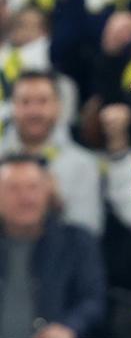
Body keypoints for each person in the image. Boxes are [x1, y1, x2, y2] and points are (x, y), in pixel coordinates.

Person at [0, 154, 105, 338]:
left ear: (48, 191)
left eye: (33, 187)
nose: (26, 198)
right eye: (13, 189)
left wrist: (70, 327)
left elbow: (93, 300)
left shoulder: (77, 241)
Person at [0, 71, 103, 236]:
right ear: (11, 106)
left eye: (42, 101)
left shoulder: (83, 165)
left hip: (60, 250)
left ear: (58, 106)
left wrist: (55, 205)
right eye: (25, 102)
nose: (34, 111)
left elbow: (88, 231)